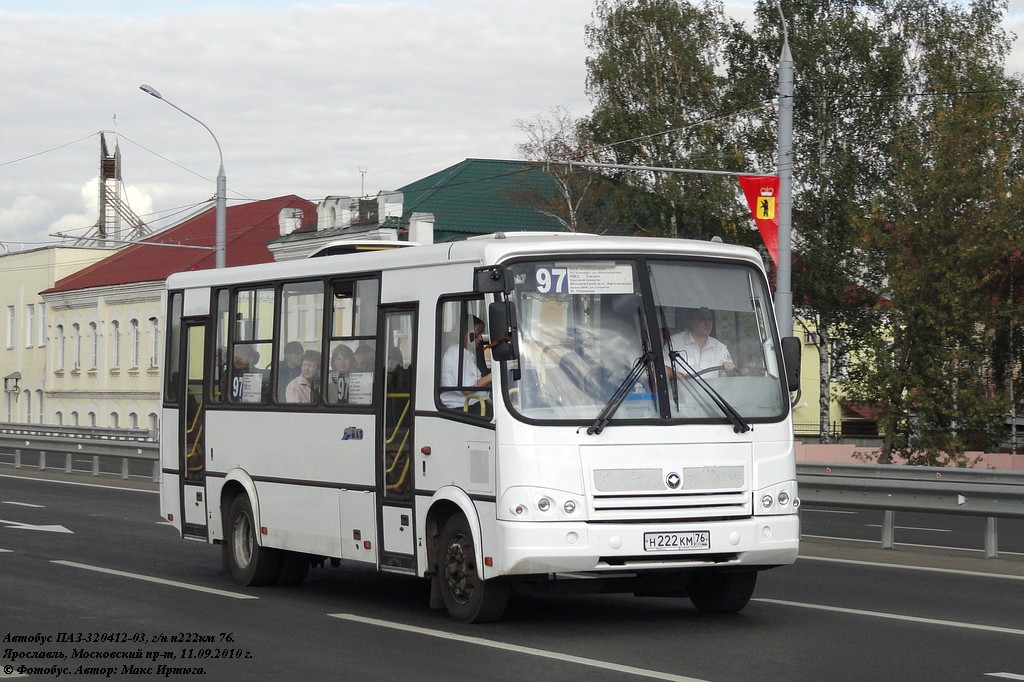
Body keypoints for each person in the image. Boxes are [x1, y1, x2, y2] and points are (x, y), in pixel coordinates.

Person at [440, 316, 492, 417]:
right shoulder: (456, 354)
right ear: (463, 334)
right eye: (477, 334)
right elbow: (467, 390)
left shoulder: (465, 354)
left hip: (473, 404)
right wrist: (491, 377)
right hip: (462, 407)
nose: (480, 338)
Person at [667, 307, 735, 377]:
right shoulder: (675, 343)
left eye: (710, 319)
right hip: (681, 387)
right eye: (702, 319)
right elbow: (663, 369)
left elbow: (731, 377)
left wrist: (729, 370)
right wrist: (677, 376)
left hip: (712, 388)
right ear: (690, 321)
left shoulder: (720, 348)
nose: (707, 323)